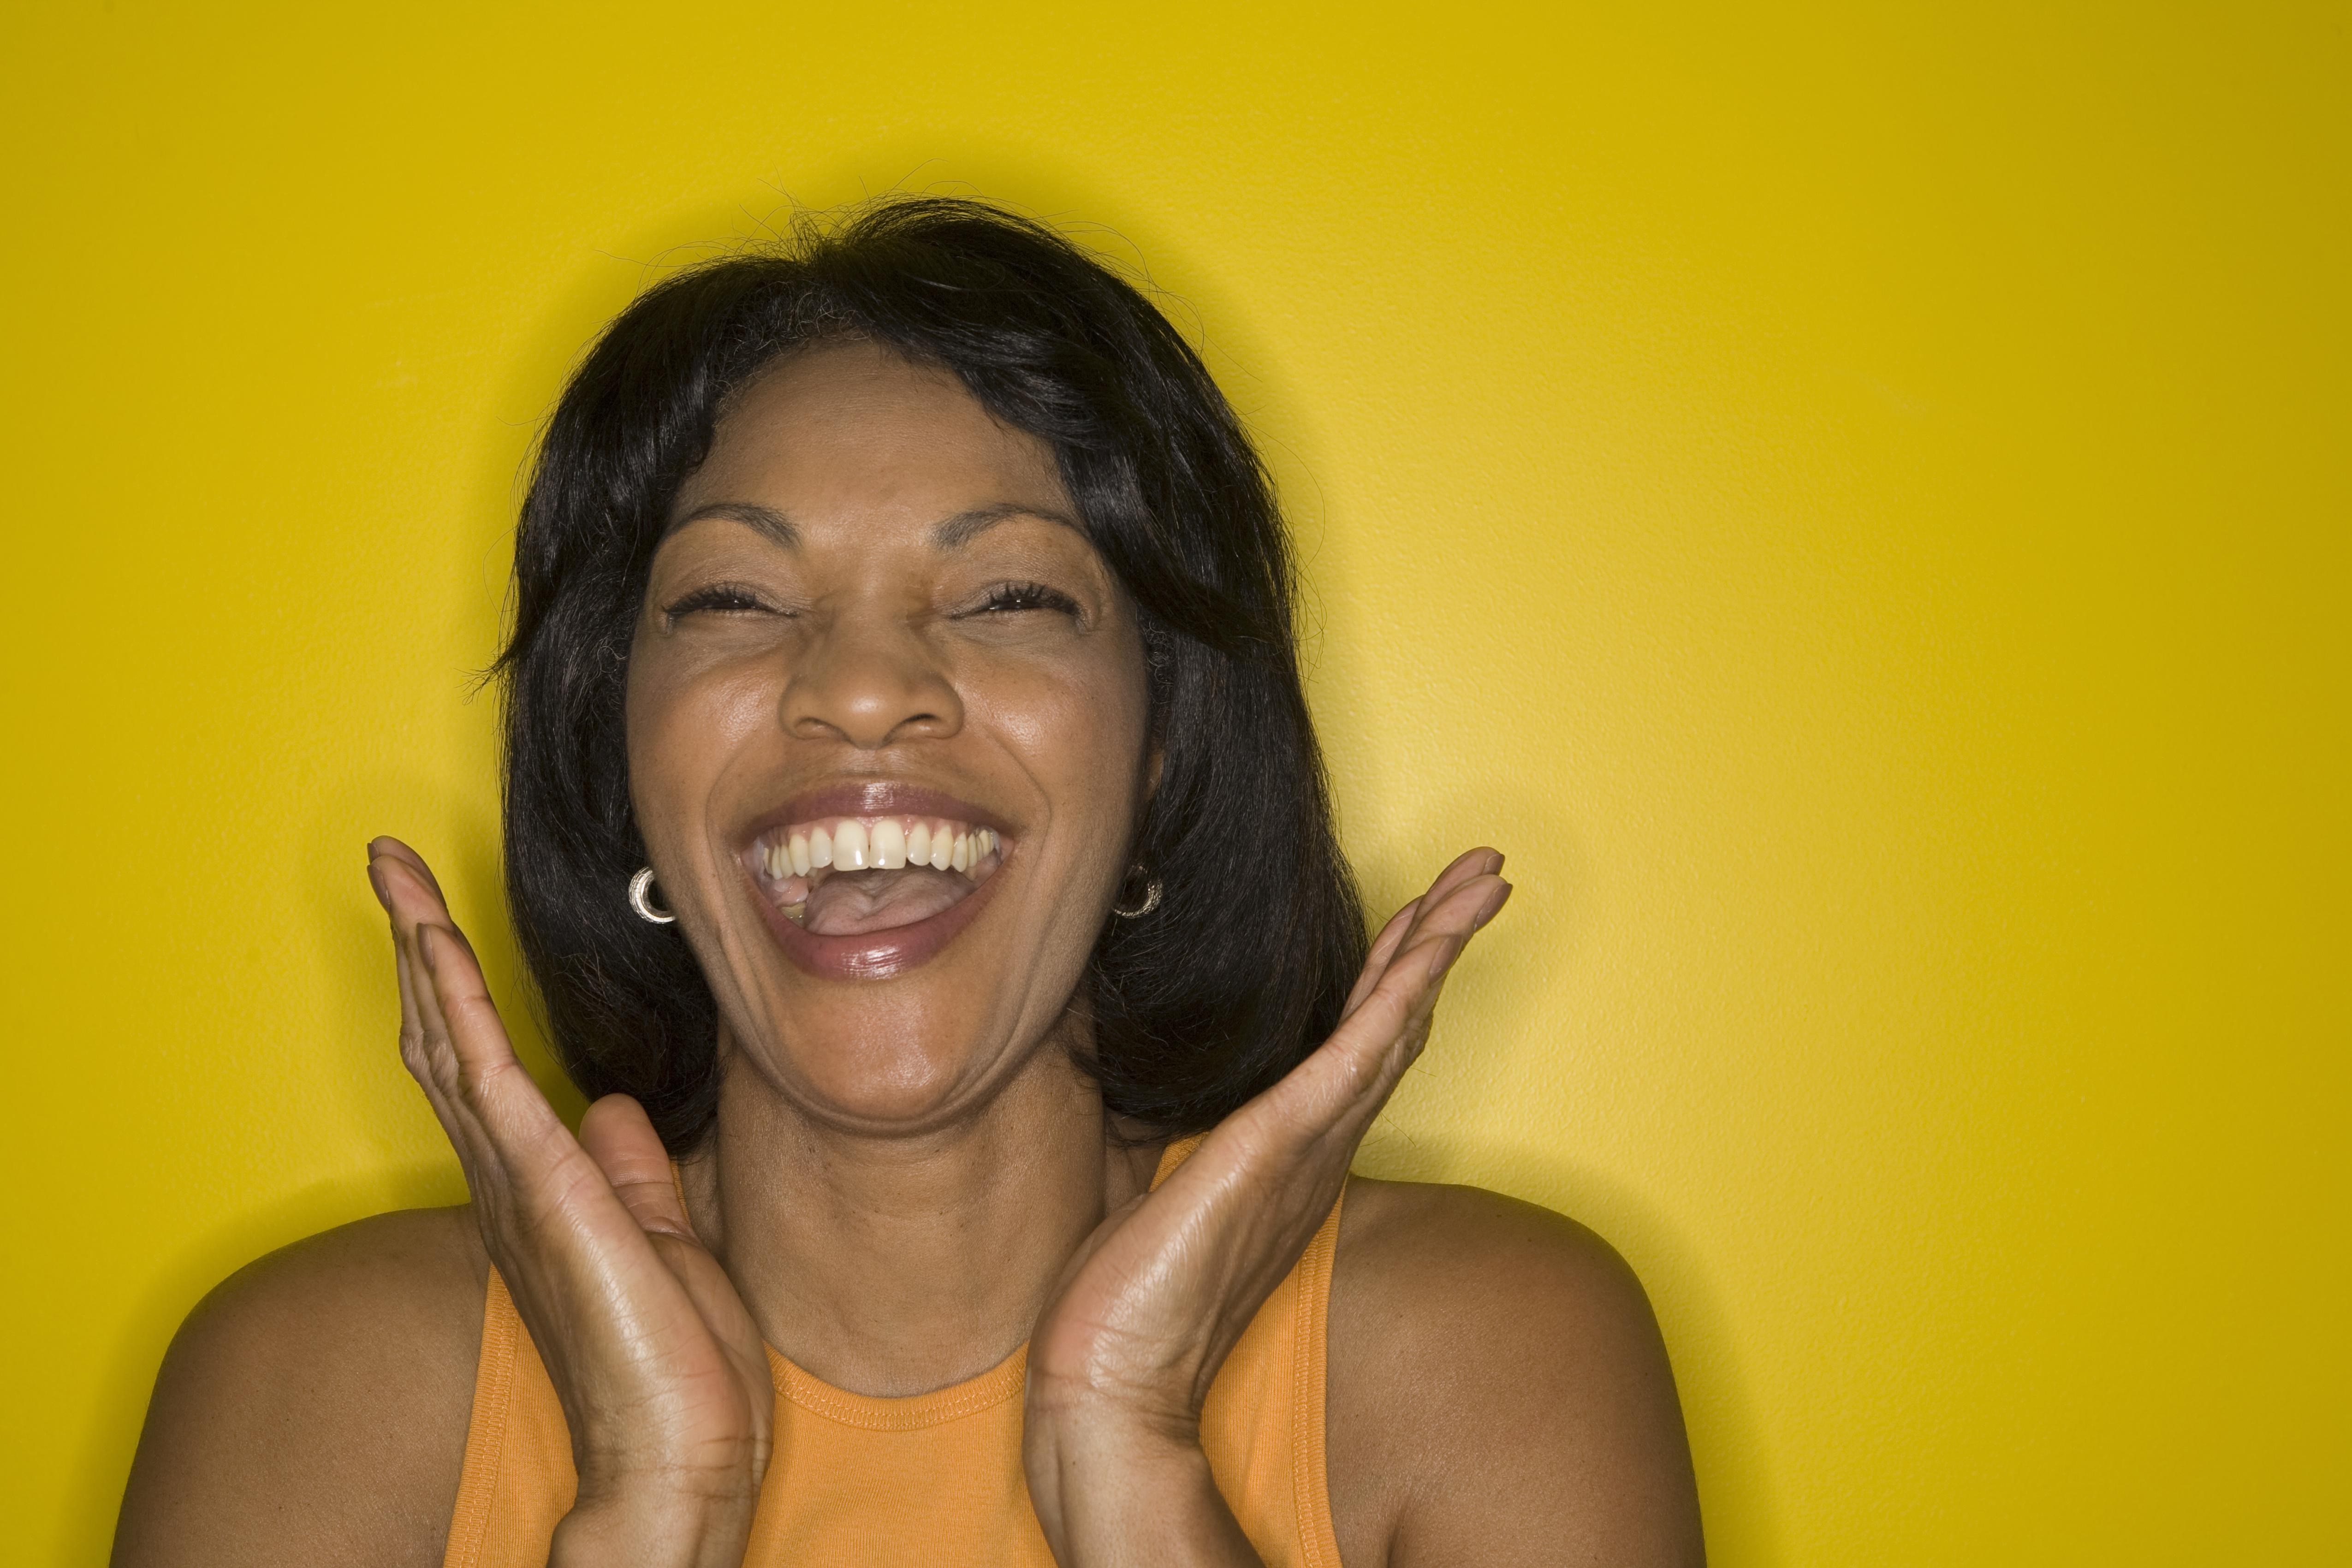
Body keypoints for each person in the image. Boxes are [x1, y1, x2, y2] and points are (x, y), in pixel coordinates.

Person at [112, 198, 1704, 1567]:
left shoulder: (1490, 1356)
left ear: (1161, 753)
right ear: (621, 767)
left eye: (1010, 592)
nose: (862, 691)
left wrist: (1137, 1459)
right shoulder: (314, 1385)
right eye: (733, 597)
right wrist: (653, 1506)